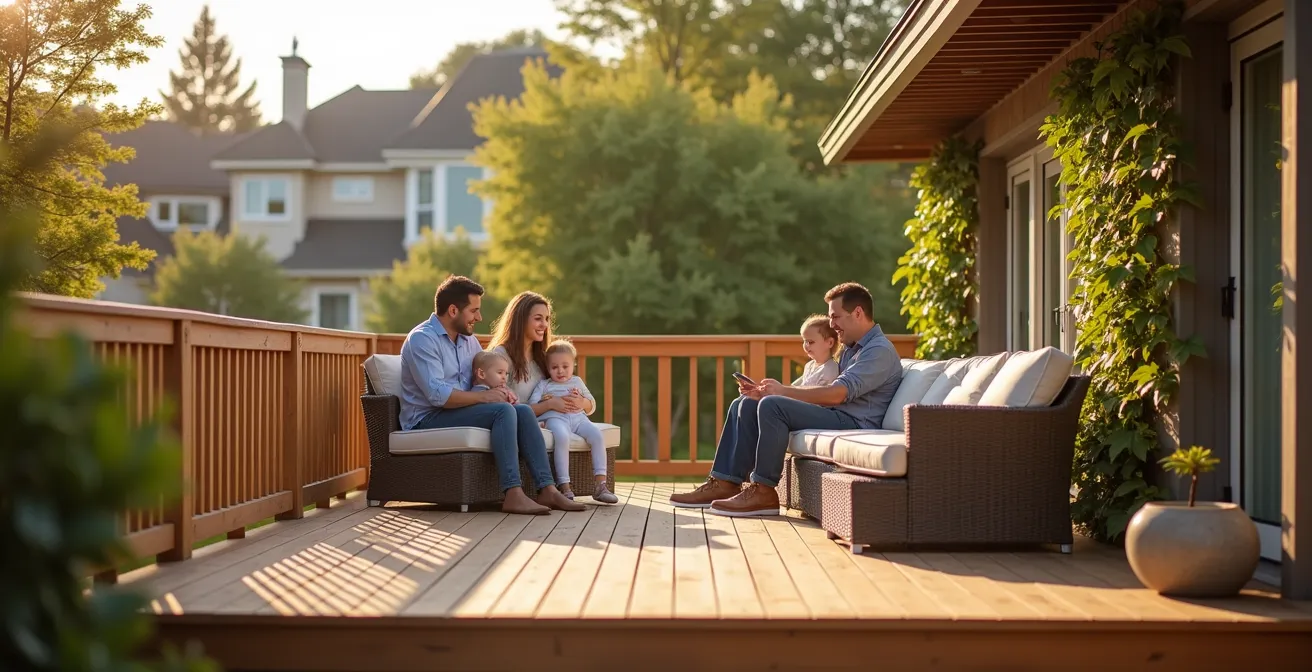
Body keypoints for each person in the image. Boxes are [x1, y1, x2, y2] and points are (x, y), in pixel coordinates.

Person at [669, 282, 903, 517]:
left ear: (858, 313)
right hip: (836, 413)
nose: (832, 324)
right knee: (745, 403)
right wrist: (763, 392)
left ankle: (764, 491)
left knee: (773, 405)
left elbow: (837, 393)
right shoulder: (852, 347)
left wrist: (781, 392)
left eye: (836, 317)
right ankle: (725, 482)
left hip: (854, 422)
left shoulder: (878, 350)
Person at [398, 275, 583, 515]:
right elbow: (438, 396)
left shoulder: (469, 342)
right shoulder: (422, 339)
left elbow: (481, 379)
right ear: (453, 310)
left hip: (458, 411)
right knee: (502, 411)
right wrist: (486, 398)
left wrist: (502, 392)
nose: (479, 317)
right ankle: (513, 493)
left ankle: (547, 488)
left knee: (523, 410)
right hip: (427, 418)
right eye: (474, 311)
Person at [528, 339, 617, 504]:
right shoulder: (544, 385)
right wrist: (547, 403)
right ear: (547, 368)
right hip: (556, 418)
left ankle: (601, 485)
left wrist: (581, 401)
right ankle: (565, 486)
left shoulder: (577, 382)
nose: (560, 371)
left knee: (597, 436)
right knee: (562, 437)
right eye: (554, 367)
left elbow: (590, 404)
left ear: (573, 365)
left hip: (578, 418)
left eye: (565, 366)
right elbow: (531, 408)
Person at [795, 314, 841, 388]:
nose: (806, 345)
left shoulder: (830, 369)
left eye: (810, 342)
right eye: (804, 341)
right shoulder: (809, 366)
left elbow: (822, 396)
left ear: (830, 343)